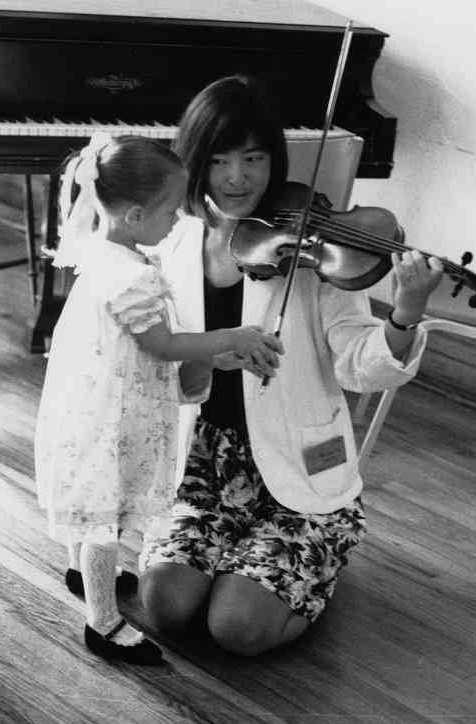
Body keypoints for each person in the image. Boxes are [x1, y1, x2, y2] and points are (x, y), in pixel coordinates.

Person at [138, 75, 444, 656]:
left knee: (238, 629)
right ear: (195, 162)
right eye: (221, 159)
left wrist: (405, 313)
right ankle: (236, 559)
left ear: (272, 162)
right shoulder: (171, 244)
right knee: (165, 603)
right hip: (203, 466)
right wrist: (202, 362)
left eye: (253, 158)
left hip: (298, 469)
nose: (237, 177)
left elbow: (360, 366)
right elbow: (156, 363)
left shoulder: (309, 249)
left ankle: (315, 554)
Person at [34, 132, 282, 665]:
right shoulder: (130, 276)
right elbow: (162, 344)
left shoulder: (102, 253)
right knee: (106, 518)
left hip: (91, 403)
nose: (177, 221)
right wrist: (230, 337)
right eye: (170, 209)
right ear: (136, 213)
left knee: (94, 505)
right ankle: (102, 621)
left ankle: (81, 569)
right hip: (111, 416)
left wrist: (212, 354)